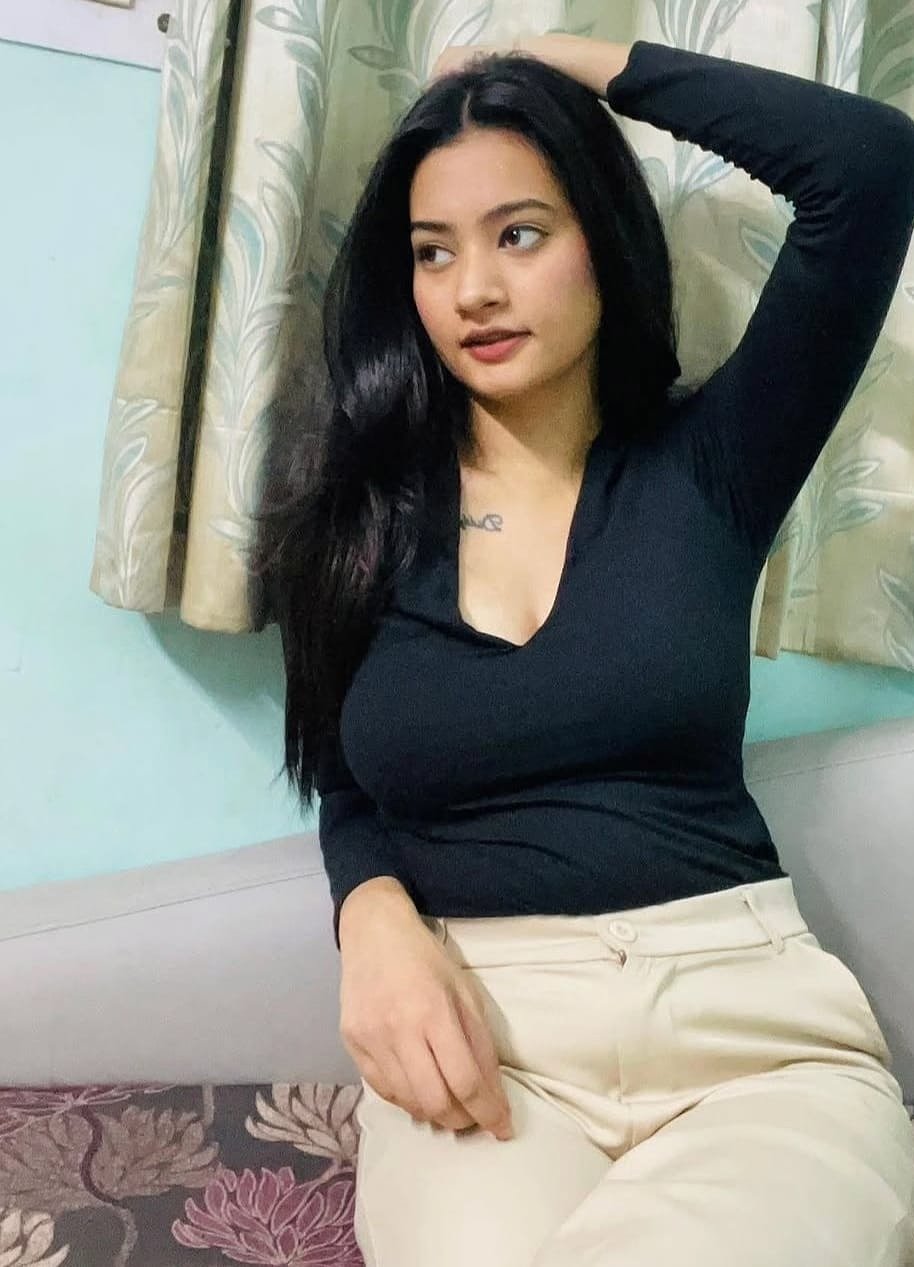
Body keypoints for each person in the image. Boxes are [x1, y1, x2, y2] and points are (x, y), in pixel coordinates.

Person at [248, 32, 914, 1267]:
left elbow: (867, 165)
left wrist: (554, 60)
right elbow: (347, 775)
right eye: (432, 252)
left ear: (600, 240)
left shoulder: (714, 464)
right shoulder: (353, 514)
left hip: (749, 1037)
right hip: (486, 1048)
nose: (472, 290)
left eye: (519, 233)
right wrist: (371, 918)